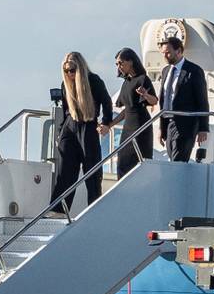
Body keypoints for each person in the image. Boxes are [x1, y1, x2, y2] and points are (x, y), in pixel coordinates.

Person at [50, 51, 113, 214]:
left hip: (88, 125)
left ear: (80, 68)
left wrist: (106, 123)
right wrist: (60, 132)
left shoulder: (94, 81)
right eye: (66, 71)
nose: (69, 74)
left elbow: (107, 102)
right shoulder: (66, 85)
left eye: (72, 70)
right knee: (65, 171)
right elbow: (65, 110)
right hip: (69, 126)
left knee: (92, 170)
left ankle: (94, 209)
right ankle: (58, 210)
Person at [106, 48, 158, 178]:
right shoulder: (126, 83)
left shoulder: (143, 79)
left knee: (138, 161)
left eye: (121, 63)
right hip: (127, 127)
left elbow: (154, 100)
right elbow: (126, 110)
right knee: (123, 161)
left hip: (140, 125)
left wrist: (145, 95)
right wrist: (110, 125)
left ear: (131, 61)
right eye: (117, 64)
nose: (119, 67)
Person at [157, 36, 210, 162]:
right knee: (172, 158)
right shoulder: (165, 71)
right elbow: (164, 100)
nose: (165, 56)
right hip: (169, 122)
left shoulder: (193, 71)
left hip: (186, 123)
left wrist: (203, 128)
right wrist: (161, 128)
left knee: (178, 160)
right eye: (163, 53)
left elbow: (202, 100)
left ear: (179, 51)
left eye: (168, 52)